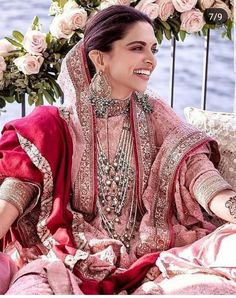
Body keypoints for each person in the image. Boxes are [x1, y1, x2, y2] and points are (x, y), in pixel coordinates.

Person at [0, 4, 236, 295]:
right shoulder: (53, 125)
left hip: (155, 257)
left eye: (153, 50)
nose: (150, 60)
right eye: (137, 48)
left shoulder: (157, 116)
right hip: (69, 259)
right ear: (99, 58)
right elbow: (15, 192)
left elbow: (202, 179)